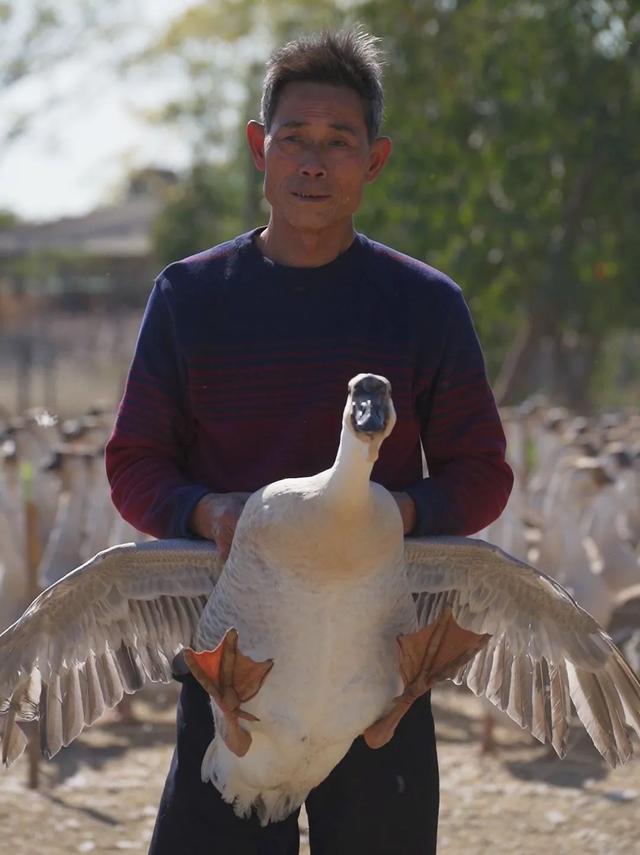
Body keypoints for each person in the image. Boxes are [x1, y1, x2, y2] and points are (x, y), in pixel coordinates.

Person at [106, 28, 513, 855]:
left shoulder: (425, 305)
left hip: (376, 677)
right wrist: (207, 510)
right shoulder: (190, 297)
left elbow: (483, 475)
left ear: (377, 160)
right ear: (261, 149)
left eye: (340, 142)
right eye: (294, 140)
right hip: (236, 676)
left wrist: (392, 511)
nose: (314, 163)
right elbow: (134, 464)